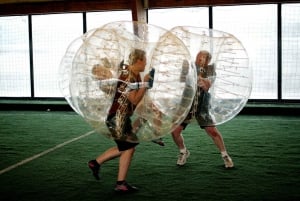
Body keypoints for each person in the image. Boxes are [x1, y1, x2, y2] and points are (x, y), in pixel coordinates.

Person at [88, 49, 152, 193]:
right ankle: (120, 184)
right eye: (145, 59)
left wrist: (144, 85)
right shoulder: (127, 76)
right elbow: (134, 99)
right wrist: (146, 84)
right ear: (139, 61)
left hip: (121, 117)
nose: (146, 62)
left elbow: (135, 99)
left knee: (128, 147)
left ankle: (96, 163)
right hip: (117, 117)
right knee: (129, 147)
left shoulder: (135, 74)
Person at [171, 50, 234, 168]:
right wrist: (191, 74)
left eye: (203, 58)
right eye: (198, 57)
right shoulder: (189, 66)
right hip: (186, 104)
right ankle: (183, 152)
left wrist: (201, 79)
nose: (199, 59)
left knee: (212, 131)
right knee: (175, 131)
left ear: (208, 61)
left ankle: (225, 155)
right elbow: (182, 80)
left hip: (202, 106)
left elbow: (207, 86)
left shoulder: (210, 70)